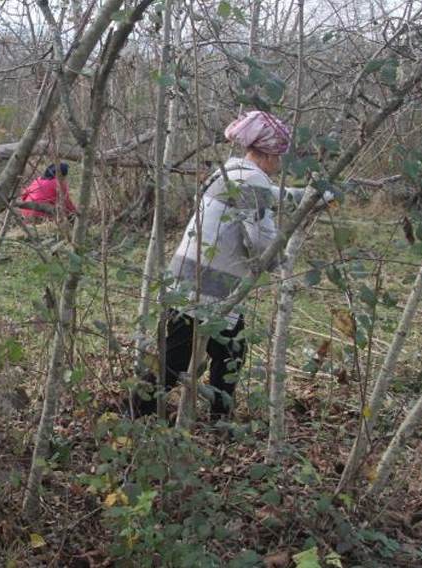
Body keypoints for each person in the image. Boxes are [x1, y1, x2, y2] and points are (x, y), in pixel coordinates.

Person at [131, 110, 328, 419]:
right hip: (205, 285)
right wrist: (283, 263)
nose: (281, 163)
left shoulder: (233, 171)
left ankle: (219, 418)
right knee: (178, 358)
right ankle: (137, 413)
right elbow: (263, 241)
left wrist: (313, 197)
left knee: (229, 351)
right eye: (280, 156)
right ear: (270, 153)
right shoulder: (252, 180)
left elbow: (274, 196)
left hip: (195, 278)